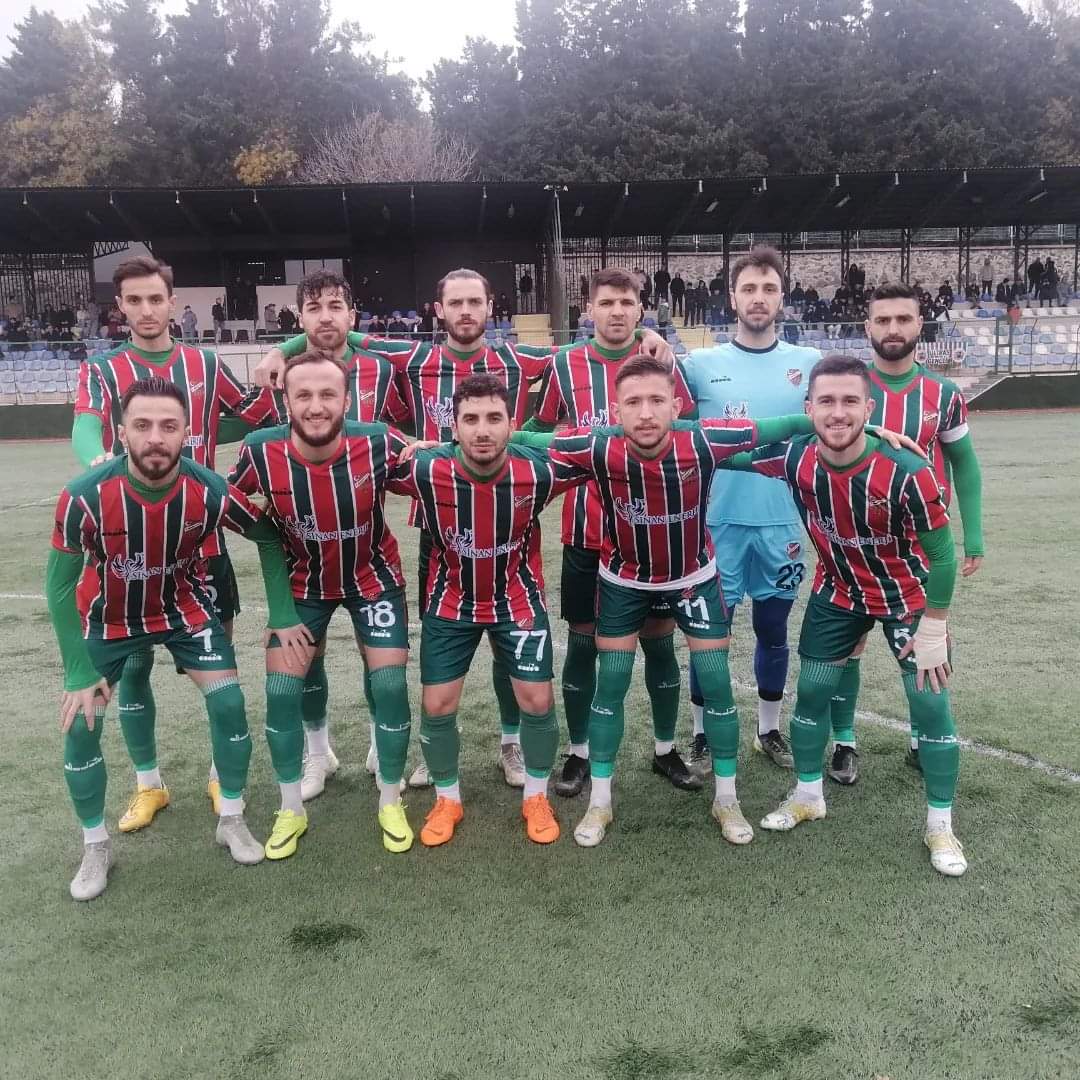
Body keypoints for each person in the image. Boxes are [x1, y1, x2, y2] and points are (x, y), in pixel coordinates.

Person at [257, 268, 674, 789]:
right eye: (455, 303)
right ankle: (434, 747)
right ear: (438, 310)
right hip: (439, 520)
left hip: (508, 513)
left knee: (508, 635)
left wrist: (646, 334)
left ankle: (511, 742)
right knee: (439, 639)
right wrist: (283, 348)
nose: (465, 311)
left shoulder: (517, 359)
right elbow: (339, 334)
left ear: (490, 306)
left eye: (475, 301)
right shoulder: (416, 357)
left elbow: (592, 345)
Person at [531, 355, 825, 848]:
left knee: (716, 683)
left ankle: (726, 799)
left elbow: (781, 425)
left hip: (692, 578)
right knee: (612, 684)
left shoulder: (703, 439)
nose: (646, 413)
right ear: (615, 410)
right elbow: (529, 440)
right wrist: (447, 445)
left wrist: (864, 428)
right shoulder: (597, 445)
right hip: (624, 580)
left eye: (656, 400)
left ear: (675, 405)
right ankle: (600, 802)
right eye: (633, 402)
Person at [47, 376, 310, 899]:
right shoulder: (83, 497)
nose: (155, 438)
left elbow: (267, 535)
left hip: (184, 611)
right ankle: (95, 845)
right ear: (122, 432)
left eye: (168, 426)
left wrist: (283, 614)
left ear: (187, 432)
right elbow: (57, 587)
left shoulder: (207, 488)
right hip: (109, 619)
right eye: (142, 425)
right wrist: (78, 670)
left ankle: (231, 818)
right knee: (81, 722)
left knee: (229, 702)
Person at [728, 354, 967, 877]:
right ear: (809, 408)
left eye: (850, 402)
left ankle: (940, 824)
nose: (838, 413)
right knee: (812, 693)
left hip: (908, 598)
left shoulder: (908, 470)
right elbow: (715, 449)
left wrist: (935, 624)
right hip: (838, 593)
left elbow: (944, 556)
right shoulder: (795, 458)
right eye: (827, 402)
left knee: (930, 707)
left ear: (869, 408)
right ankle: (808, 795)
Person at [71, 254, 280, 827]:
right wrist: (97, 461)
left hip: (201, 544)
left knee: (220, 670)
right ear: (120, 307)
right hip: (131, 552)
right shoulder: (102, 369)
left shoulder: (204, 363)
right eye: (134, 300)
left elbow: (254, 411)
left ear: (172, 302)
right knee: (134, 669)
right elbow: (85, 424)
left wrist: (281, 357)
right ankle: (149, 784)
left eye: (155, 299)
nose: (145, 310)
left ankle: (219, 776)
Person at [386, 374, 591, 846]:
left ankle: (535, 797)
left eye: (494, 418)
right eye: (471, 419)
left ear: (511, 424)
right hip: (450, 601)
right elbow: (362, 461)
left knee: (537, 700)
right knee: (437, 704)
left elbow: (600, 453)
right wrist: (404, 446)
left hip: (517, 600)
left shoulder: (538, 471)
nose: (482, 430)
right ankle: (448, 799)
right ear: (453, 427)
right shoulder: (426, 470)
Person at [229, 351, 419, 854]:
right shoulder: (259, 451)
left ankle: (390, 798)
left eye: (328, 394)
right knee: (281, 689)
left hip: (373, 577)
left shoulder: (378, 440)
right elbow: (224, 504)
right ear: (286, 401)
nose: (316, 406)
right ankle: (293, 804)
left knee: (390, 681)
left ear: (346, 400)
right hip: (301, 585)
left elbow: (437, 467)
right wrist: (275, 583)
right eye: (304, 395)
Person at [523, 268, 699, 798]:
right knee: (582, 645)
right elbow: (542, 432)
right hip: (585, 529)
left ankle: (665, 749)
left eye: (626, 302)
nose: (617, 311)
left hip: (652, 533)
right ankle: (579, 753)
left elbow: (687, 430)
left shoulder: (661, 363)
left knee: (659, 644)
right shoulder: (565, 364)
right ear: (589, 310)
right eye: (606, 302)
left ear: (640, 309)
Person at [818, 282, 984, 782]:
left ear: (919, 325)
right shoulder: (849, 388)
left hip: (920, 546)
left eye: (903, 319)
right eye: (883, 320)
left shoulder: (943, 393)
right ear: (867, 326)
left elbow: (964, 463)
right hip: (853, 543)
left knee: (926, 646)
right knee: (848, 647)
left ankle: (921, 736)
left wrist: (973, 536)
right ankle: (844, 742)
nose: (893, 329)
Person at [254, 268, 408, 799]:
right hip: (304, 560)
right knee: (306, 660)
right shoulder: (279, 374)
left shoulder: (382, 370)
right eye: (314, 308)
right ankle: (318, 753)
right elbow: (250, 442)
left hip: (367, 551)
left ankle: (380, 742)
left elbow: (405, 432)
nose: (325, 317)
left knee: (380, 662)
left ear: (352, 315)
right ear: (300, 317)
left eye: (335, 306)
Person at [682, 247, 821, 777]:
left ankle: (768, 730)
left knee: (773, 628)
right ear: (732, 297)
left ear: (782, 297)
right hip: (715, 525)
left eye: (768, 289)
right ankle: (700, 736)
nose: (758, 298)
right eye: (748, 289)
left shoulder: (809, 364)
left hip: (784, 523)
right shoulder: (700, 366)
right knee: (709, 635)